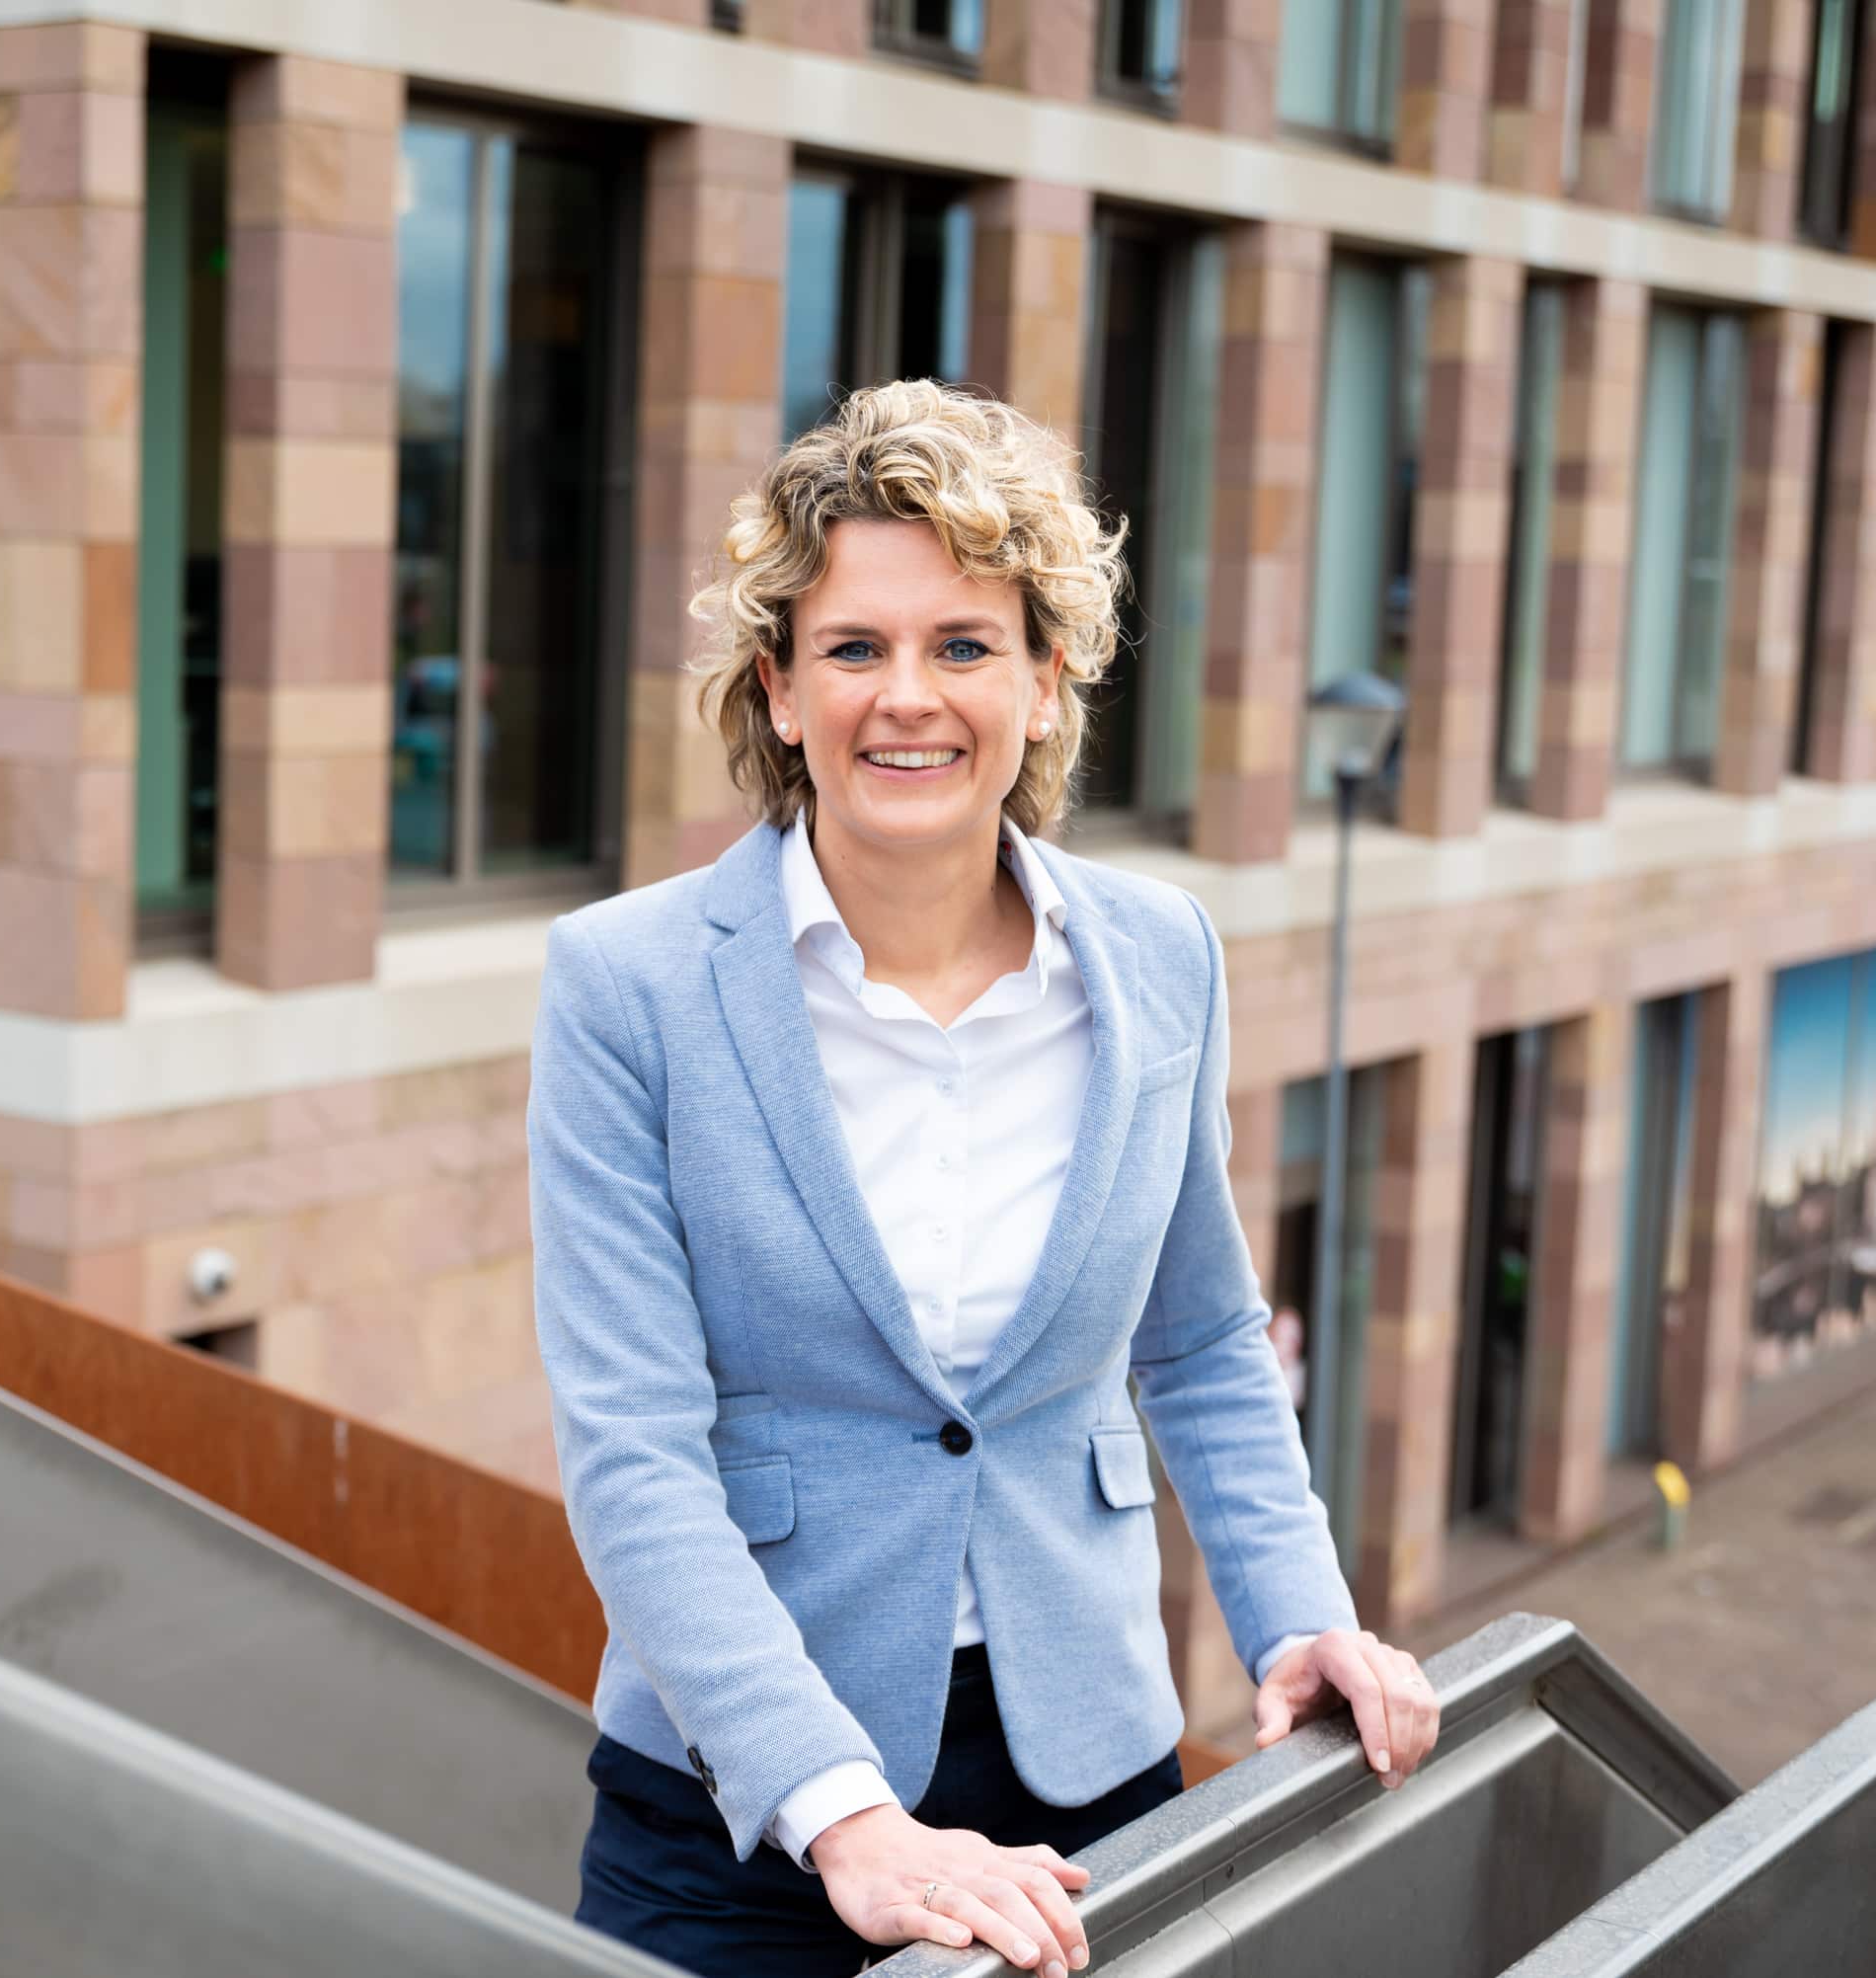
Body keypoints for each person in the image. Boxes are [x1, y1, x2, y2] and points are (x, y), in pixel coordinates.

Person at [527, 381, 1439, 1978]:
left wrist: (1301, 1620)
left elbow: (1205, 1343)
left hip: (1090, 1783)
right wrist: (847, 1817)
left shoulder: (1160, 957)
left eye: (964, 644)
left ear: (1045, 676)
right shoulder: (628, 986)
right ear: (779, 688)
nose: (909, 699)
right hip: (740, 1808)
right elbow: (632, 1457)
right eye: (854, 649)